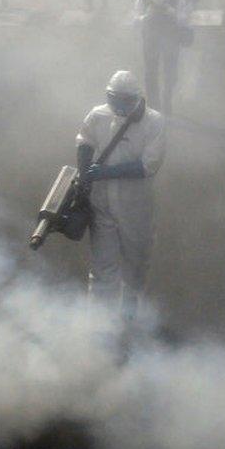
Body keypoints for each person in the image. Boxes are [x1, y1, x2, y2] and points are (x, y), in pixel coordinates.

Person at [76, 71, 167, 318]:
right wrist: (85, 173)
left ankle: (129, 314)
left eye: (126, 100)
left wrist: (105, 172)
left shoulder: (154, 122)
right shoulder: (98, 115)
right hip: (102, 203)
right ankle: (99, 321)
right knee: (103, 266)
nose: (120, 105)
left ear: (138, 99)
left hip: (135, 205)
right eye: (115, 99)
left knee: (136, 259)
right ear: (108, 96)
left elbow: (148, 165)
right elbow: (84, 140)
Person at [134, 0, 187, 115]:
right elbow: (136, 19)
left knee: (170, 72)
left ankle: (167, 97)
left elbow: (183, 19)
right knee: (151, 72)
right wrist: (145, 17)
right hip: (151, 41)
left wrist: (172, 12)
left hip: (171, 40)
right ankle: (153, 104)